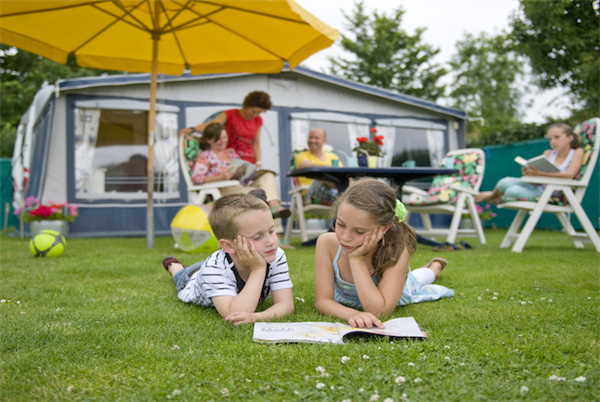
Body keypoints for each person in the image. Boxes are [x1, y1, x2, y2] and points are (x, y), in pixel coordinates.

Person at [314, 178, 454, 329]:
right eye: (340, 224)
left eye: (359, 231)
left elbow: (379, 312)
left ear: (384, 229)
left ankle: (435, 267)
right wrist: (350, 314)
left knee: (417, 280)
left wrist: (356, 260)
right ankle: (433, 267)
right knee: (416, 278)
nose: (345, 237)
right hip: (351, 298)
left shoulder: (396, 250)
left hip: (400, 289)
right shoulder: (326, 243)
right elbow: (322, 301)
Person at [162, 192, 294, 326]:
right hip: (193, 278)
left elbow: (286, 305)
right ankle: (173, 265)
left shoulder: (275, 254)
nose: (271, 241)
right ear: (229, 246)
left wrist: (256, 317)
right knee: (181, 275)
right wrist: (258, 269)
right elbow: (236, 313)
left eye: (271, 231)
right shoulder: (213, 269)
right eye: (258, 237)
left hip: (222, 267)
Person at [190, 122, 293, 248]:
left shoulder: (230, 153)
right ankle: (275, 235)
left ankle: (275, 207)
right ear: (208, 140)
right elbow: (196, 179)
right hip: (223, 189)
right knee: (259, 194)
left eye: (224, 137)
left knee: (268, 177)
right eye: (218, 139)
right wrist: (220, 177)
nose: (222, 141)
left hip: (240, 185)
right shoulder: (205, 156)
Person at [476, 123, 584, 203]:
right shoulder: (548, 153)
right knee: (504, 182)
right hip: (536, 187)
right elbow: (538, 173)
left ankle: (493, 197)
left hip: (553, 193)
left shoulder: (577, 152)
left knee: (512, 191)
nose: (553, 141)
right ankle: (492, 195)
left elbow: (569, 175)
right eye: (550, 139)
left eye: (557, 137)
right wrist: (530, 171)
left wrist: (539, 174)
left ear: (570, 138)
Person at [179, 91, 271, 168]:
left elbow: (256, 144)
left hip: (249, 162)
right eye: (253, 111)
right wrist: (193, 129)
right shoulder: (230, 114)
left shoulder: (258, 120)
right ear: (247, 105)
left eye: (259, 113)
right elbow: (210, 125)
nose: (254, 115)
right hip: (229, 160)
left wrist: (258, 162)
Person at [294, 127, 342, 206]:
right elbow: (306, 166)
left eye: (316, 138)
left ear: (324, 141)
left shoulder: (332, 157)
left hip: (333, 192)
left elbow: (342, 173)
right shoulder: (300, 155)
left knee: (350, 181)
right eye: (310, 137)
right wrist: (328, 169)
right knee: (320, 178)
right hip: (311, 195)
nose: (312, 140)